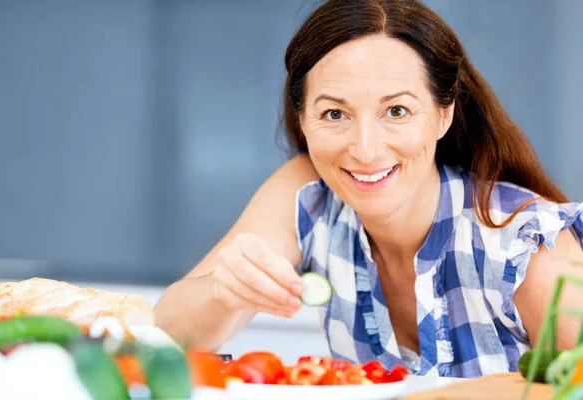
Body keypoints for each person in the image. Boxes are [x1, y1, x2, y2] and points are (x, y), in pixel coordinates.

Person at [155, 0, 583, 378]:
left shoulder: (530, 248)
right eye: (335, 113)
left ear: (443, 114)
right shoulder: (308, 193)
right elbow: (160, 338)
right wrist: (221, 291)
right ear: (302, 119)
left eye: (396, 110)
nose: (365, 149)